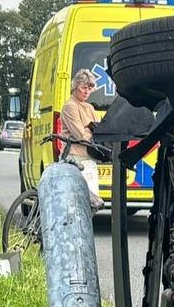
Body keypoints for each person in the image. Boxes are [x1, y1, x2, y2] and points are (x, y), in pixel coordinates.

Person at [60, 69, 105, 211]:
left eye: (90, 88)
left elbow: (99, 131)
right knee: (76, 201)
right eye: (83, 88)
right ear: (75, 87)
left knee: (93, 202)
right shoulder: (70, 106)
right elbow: (80, 135)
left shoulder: (90, 107)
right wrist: (89, 129)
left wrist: (90, 129)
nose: (86, 92)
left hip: (89, 157)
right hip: (74, 157)